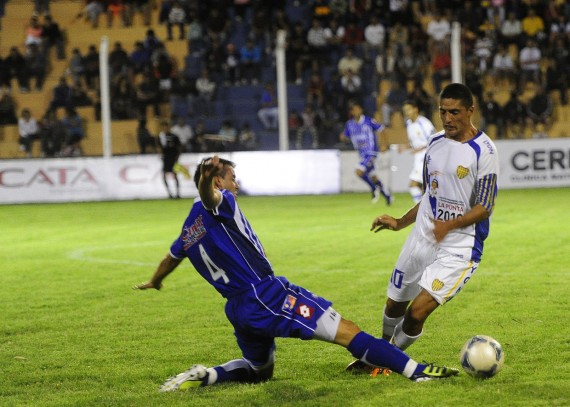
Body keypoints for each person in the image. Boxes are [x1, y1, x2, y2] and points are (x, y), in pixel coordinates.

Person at [134, 155, 459, 391]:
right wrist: (207, 179)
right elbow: (210, 196)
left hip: (236, 308)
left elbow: (171, 257)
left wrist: (155, 281)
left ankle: (209, 376)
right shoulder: (222, 202)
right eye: (231, 178)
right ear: (219, 182)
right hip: (265, 294)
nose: (236, 183)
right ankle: (417, 372)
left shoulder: (190, 226)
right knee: (347, 331)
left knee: (260, 371)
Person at [370, 83, 499, 354]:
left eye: (455, 112)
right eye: (443, 112)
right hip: (422, 237)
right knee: (394, 303)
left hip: (459, 247)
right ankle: (381, 352)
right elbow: (431, 194)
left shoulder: (484, 151)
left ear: (470, 111)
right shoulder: (435, 142)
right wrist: (399, 222)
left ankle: (385, 361)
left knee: (416, 313)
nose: (448, 119)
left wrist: (450, 225)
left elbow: (485, 206)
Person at [339, 100, 391, 205]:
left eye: (358, 109)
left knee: (359, 171)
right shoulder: (349, 124)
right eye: (354, 109)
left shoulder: (368, 121)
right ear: (352, 112)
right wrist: (343, 137)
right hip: (362, 154)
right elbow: (345, 136)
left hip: (371, 152)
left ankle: (373, 188)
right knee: (373, 176)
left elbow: (382, 129)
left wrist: (384, 144)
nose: (356, 111)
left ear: (361, 110)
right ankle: (387, 196)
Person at [400, 100, 435, 204]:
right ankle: (430, 210)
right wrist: (405, 147)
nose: (406, 112)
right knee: (424, 188)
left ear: (416, 109)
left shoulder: (424, 123)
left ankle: (421, 212)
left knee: (413, 185)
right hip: (418, 157)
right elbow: (414, 143)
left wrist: (420, 148)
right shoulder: (409, 124)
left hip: (426, 156)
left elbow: (434, 140)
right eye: (405, 110)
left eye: (408, 109)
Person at [158, 120, 182, 199]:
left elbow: (179, 148)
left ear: (169, 127)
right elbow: (160, 147)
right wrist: (161, 154)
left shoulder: (174, 137)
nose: (165, 129)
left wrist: (177, 158)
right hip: (166, 159)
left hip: (173, 158)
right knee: (164, 176)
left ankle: (178, 193)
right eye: (163, 127)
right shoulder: (161, 137)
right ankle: (169, 193)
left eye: (166, 127)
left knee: (175, 175)